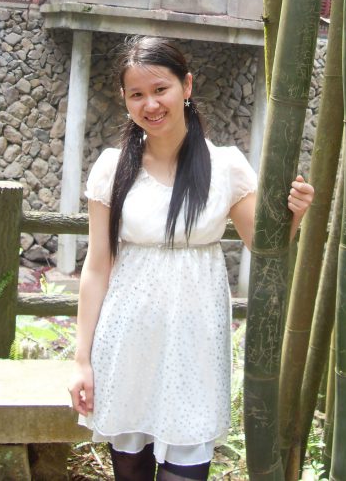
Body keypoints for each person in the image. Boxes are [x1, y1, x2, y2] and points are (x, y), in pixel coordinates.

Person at [68, 36, 314, 481]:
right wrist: (81, 359)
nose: (150, 104)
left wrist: (294, 213)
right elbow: (97, 265)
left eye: (160, 89)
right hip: (127, 340)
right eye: (137, 94)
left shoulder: (226, 167)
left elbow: (263, 242)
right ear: (125, 99)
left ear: (186, 86)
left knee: (187, 462)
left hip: (195, 343)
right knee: (130, 466)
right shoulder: (112, 167)